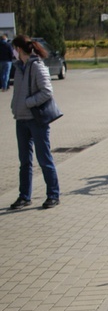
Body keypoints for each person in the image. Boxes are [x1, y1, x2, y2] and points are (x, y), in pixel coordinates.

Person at [9, 35, 61, 210]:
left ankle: (53, 195)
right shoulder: (18, 67)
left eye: (14, 49)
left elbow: (47, 91)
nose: (13, 52)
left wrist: (27, 102)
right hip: (21, 120)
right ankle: (24, 196)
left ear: (20, 49)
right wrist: (14, 106)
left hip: (36, 120)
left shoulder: (37, 67)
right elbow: (17, 92)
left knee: (44, 158)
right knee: (24, 161)